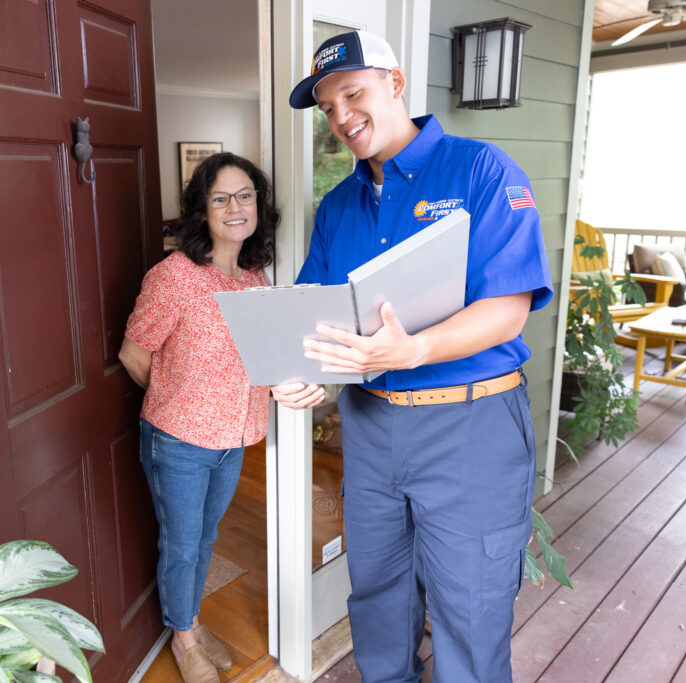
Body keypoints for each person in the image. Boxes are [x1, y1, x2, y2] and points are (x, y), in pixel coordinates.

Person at [272, 31, 553, 682]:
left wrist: (416, 347)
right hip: (371, 430)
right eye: (327, 107)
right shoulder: (338, 206)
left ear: (394, 83)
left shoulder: (482, 171)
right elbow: (314, 311)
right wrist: (302, 372)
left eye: (352, 92)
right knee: (377, 598)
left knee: (469, 612)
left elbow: (509, 307)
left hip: (470, 429)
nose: (341, 116)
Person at [119, 152, 279, 683]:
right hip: (180, 439)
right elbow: (134, 354)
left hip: (235, 435)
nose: (236, 207)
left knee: (205, 536)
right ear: (202, 209)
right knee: (183, 542)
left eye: (245, 195)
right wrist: (180, 398)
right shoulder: (175, 277)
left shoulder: (256, 278)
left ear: (258, 204)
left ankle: (190, 620)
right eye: (221, 198)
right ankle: (184, 639)